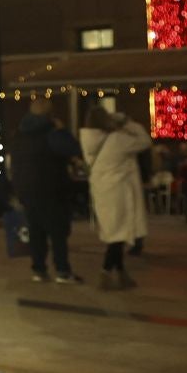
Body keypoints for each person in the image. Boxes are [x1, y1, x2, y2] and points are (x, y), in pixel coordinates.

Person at [9, 97, 83, 284]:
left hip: (26, 188)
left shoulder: (19, 133)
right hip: (51, 187)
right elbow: (72, 149)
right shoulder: (52, 132)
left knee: (36, 230)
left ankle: (39, 269)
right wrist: (62, 130)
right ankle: (62, 270)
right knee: (58, 231)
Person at [80, 108, 151, 290]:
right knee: (118, 234)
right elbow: (144, 141)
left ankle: (120, 272)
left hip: (102, 191)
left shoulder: (88, 140)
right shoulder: (117, 140)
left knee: (115, 232)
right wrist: (128, 123)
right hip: (119, 192)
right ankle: (105, 271)